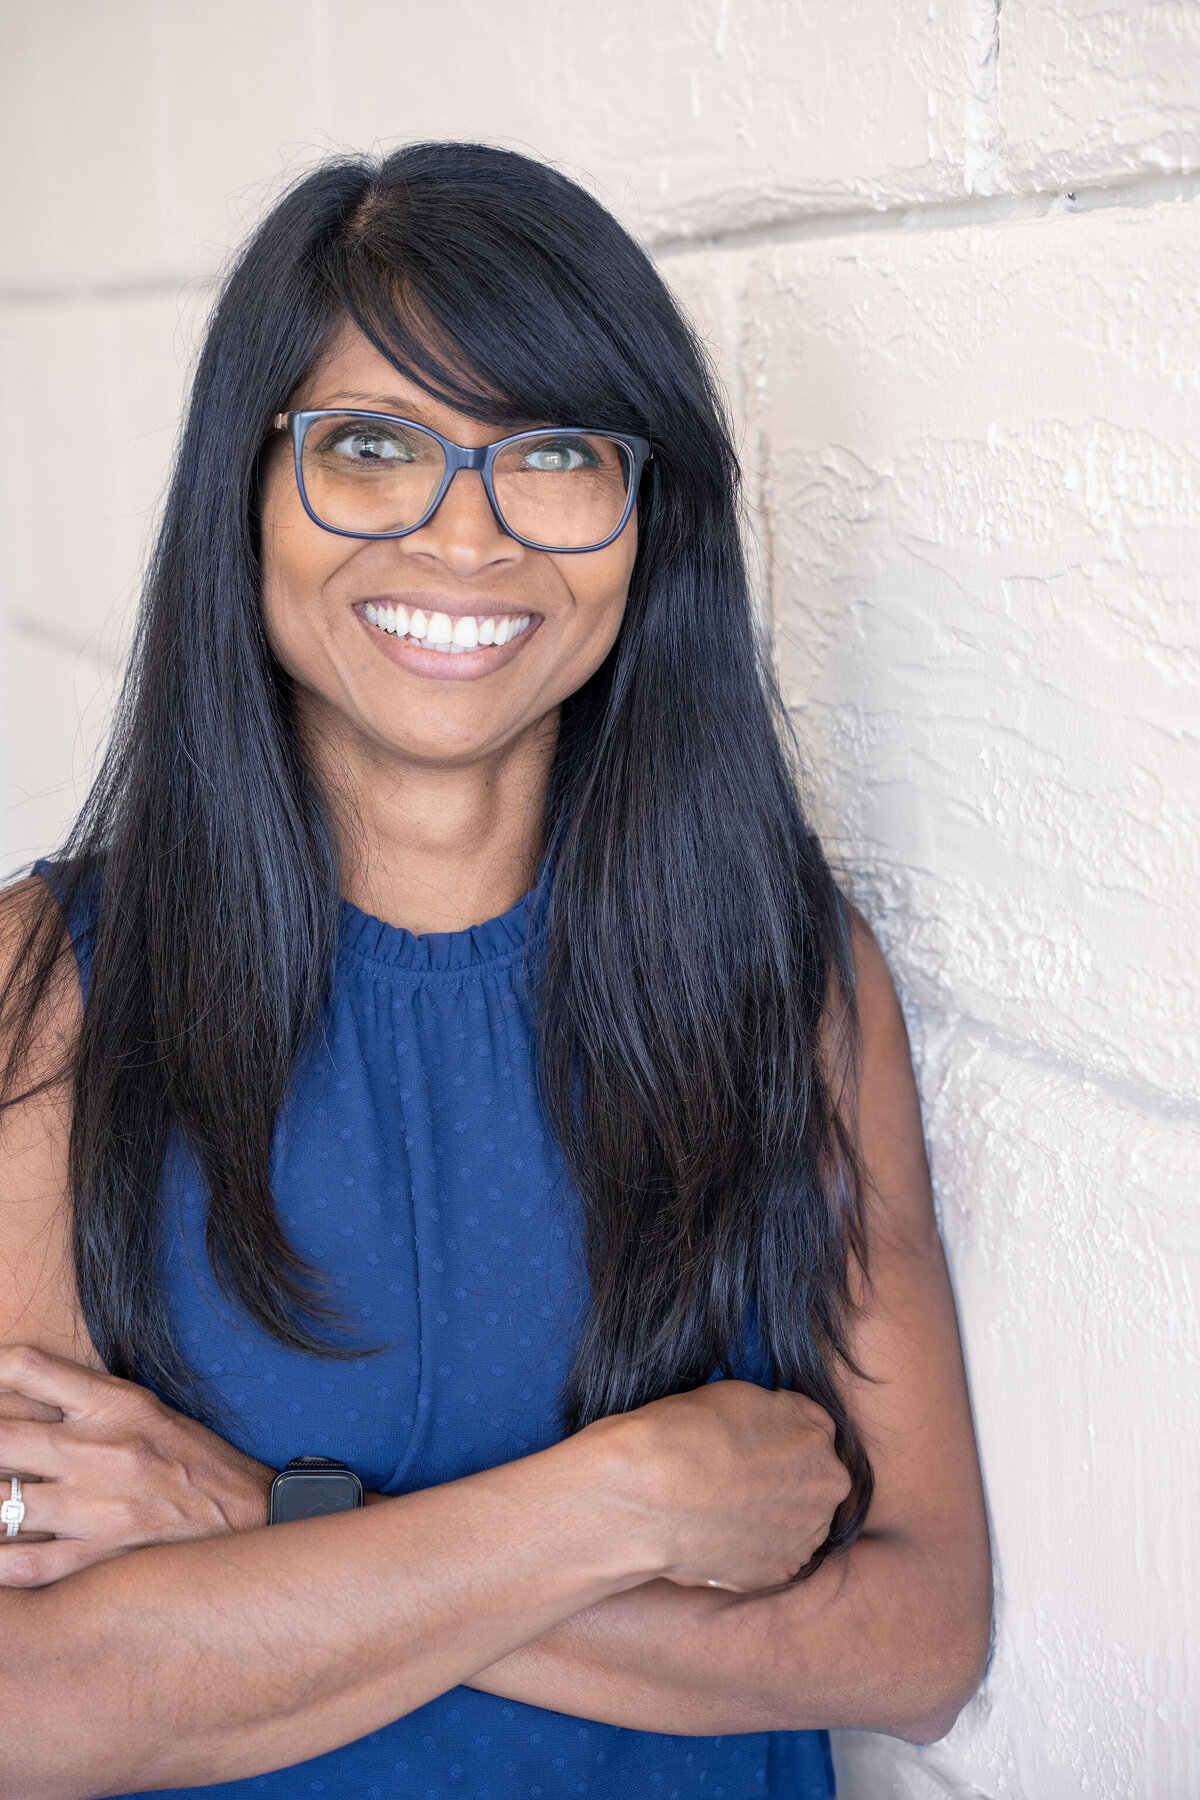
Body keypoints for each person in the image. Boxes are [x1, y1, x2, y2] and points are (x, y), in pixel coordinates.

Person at [0, 143, 991, 1800]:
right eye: (369, 449)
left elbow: (917, 1637)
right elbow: (32, 1709)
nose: (465, 536)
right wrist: (615, 1509)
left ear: (644, 514)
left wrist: (267, 1517)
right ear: (242, 493)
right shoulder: (50, 995)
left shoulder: (790, 985)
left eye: (553, 454)